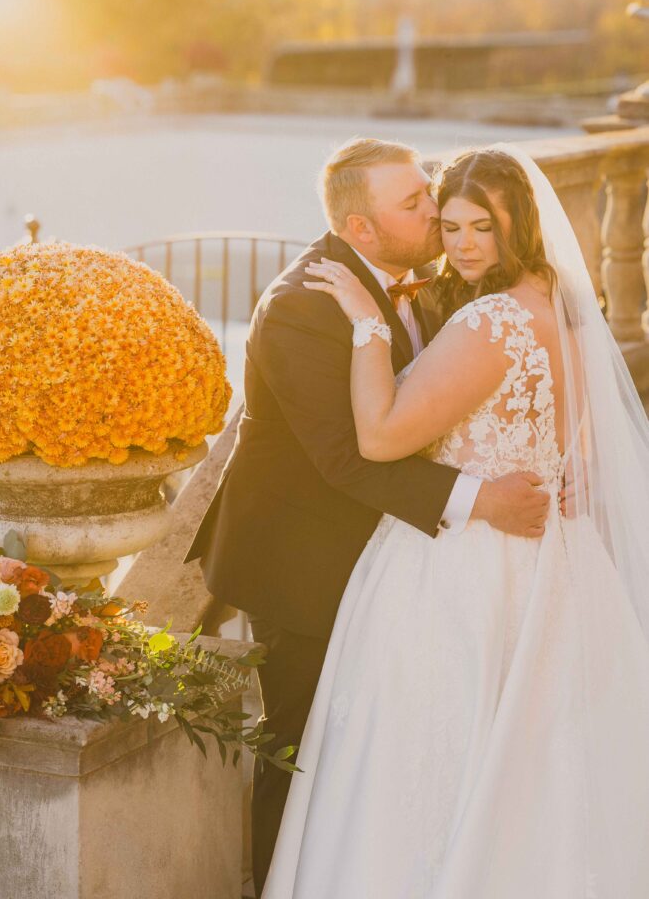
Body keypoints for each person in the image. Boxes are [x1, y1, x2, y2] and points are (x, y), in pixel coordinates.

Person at [261, 144, 649, 898]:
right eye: (450, 226)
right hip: (555, 563)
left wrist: (365, 325)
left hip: (463, 570)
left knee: (439, 758)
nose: (462, 246)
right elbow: (578, 455)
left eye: (483, 229)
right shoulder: (567, 307)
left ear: (520, 228)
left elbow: (376, 439)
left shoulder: (494, 321)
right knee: (543, 762)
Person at [182, 138, 550, 896]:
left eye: (430, 194)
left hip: (392, 561)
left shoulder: (435, 286)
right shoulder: (302, 307)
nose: (435, 209)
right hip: (299, 565)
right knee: (304, 751)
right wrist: (480, 498)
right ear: (360, 228)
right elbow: (349, 456)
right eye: (415, 205)